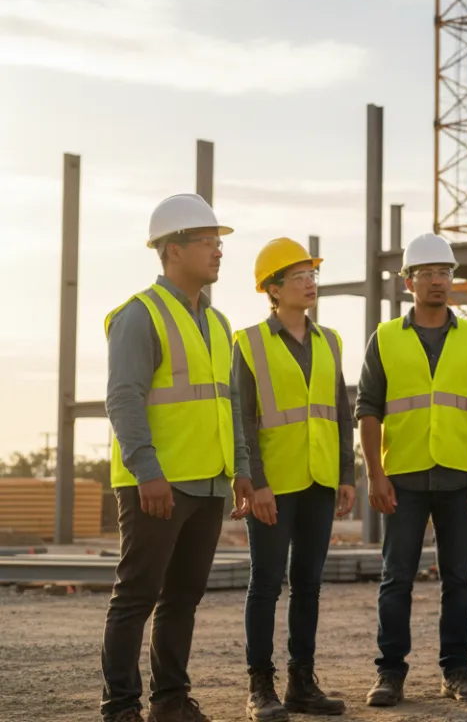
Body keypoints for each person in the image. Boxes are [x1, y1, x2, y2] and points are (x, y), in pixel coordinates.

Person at [101, 193, 253, 722]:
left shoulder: (218, 322)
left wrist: (241, 473)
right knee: (136, 596)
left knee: (182, 599)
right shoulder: (139, 316)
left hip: (209, 483)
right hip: (158, 483)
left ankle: (170, 700)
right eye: (208, 242)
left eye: (218, 242)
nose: (218, 252)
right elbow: (123, 398)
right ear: (172, 250)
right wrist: (148, 472)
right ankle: (120, 706)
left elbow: (228, 404)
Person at [357, 232, 467, 708]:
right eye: (428, 274)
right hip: (402, 476)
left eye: (445, 273)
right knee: (396, 577)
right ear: (408, 282)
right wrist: (375, 475)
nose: (438, 281)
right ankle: (390, 673)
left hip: (461, 475)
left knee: (458, 578)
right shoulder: (384, 338)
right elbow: (368, 409)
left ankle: (456, 669)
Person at [233, 238, 357, 720]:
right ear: (272, 289)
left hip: (320, 480)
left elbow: (341, 413)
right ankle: (259, 686)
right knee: (265, 583)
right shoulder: (248, 342)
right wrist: (256, 482)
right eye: (300, 277)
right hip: (273, 485)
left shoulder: (331, 341)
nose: (310, 284)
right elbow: (243, 419)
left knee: (308, 584)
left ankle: (301, 683)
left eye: (313, 276)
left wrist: (347, 474)